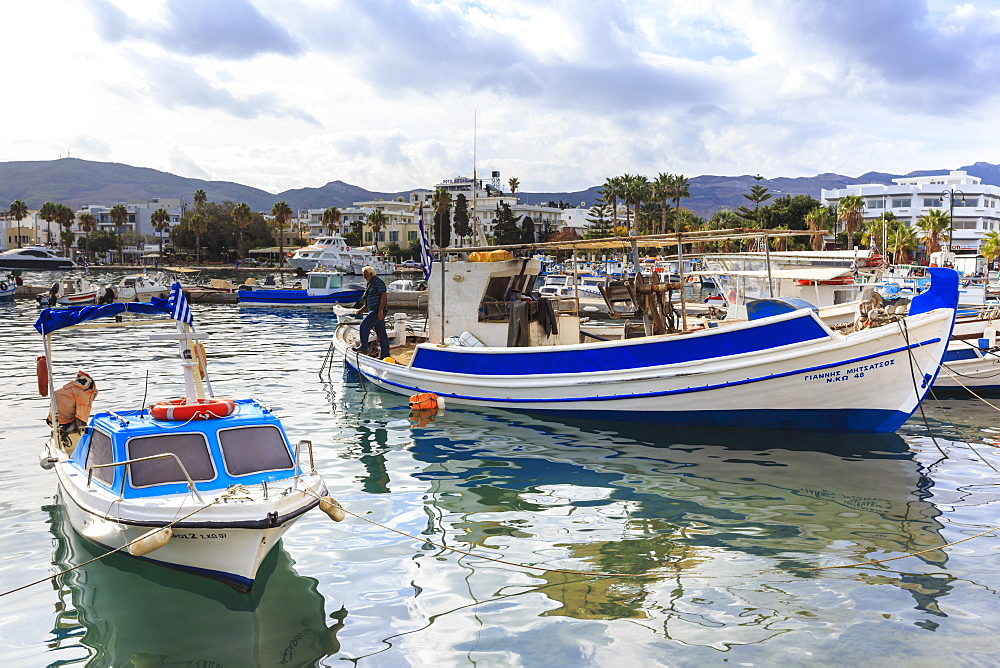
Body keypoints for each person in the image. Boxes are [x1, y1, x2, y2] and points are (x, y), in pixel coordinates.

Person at [356, 266, 390, 358]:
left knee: (364, 325)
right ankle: (385, 354)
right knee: (381, 333)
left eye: (365, 274)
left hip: (377, 310)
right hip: (373, 309)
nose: (364, 276)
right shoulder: (370, 284)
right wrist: (361, 310)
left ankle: (364, 347)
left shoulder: (377, 282)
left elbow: (383, 295)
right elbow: (368, 301)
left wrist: (380, 311)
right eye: (363, 274)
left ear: (371, 273)